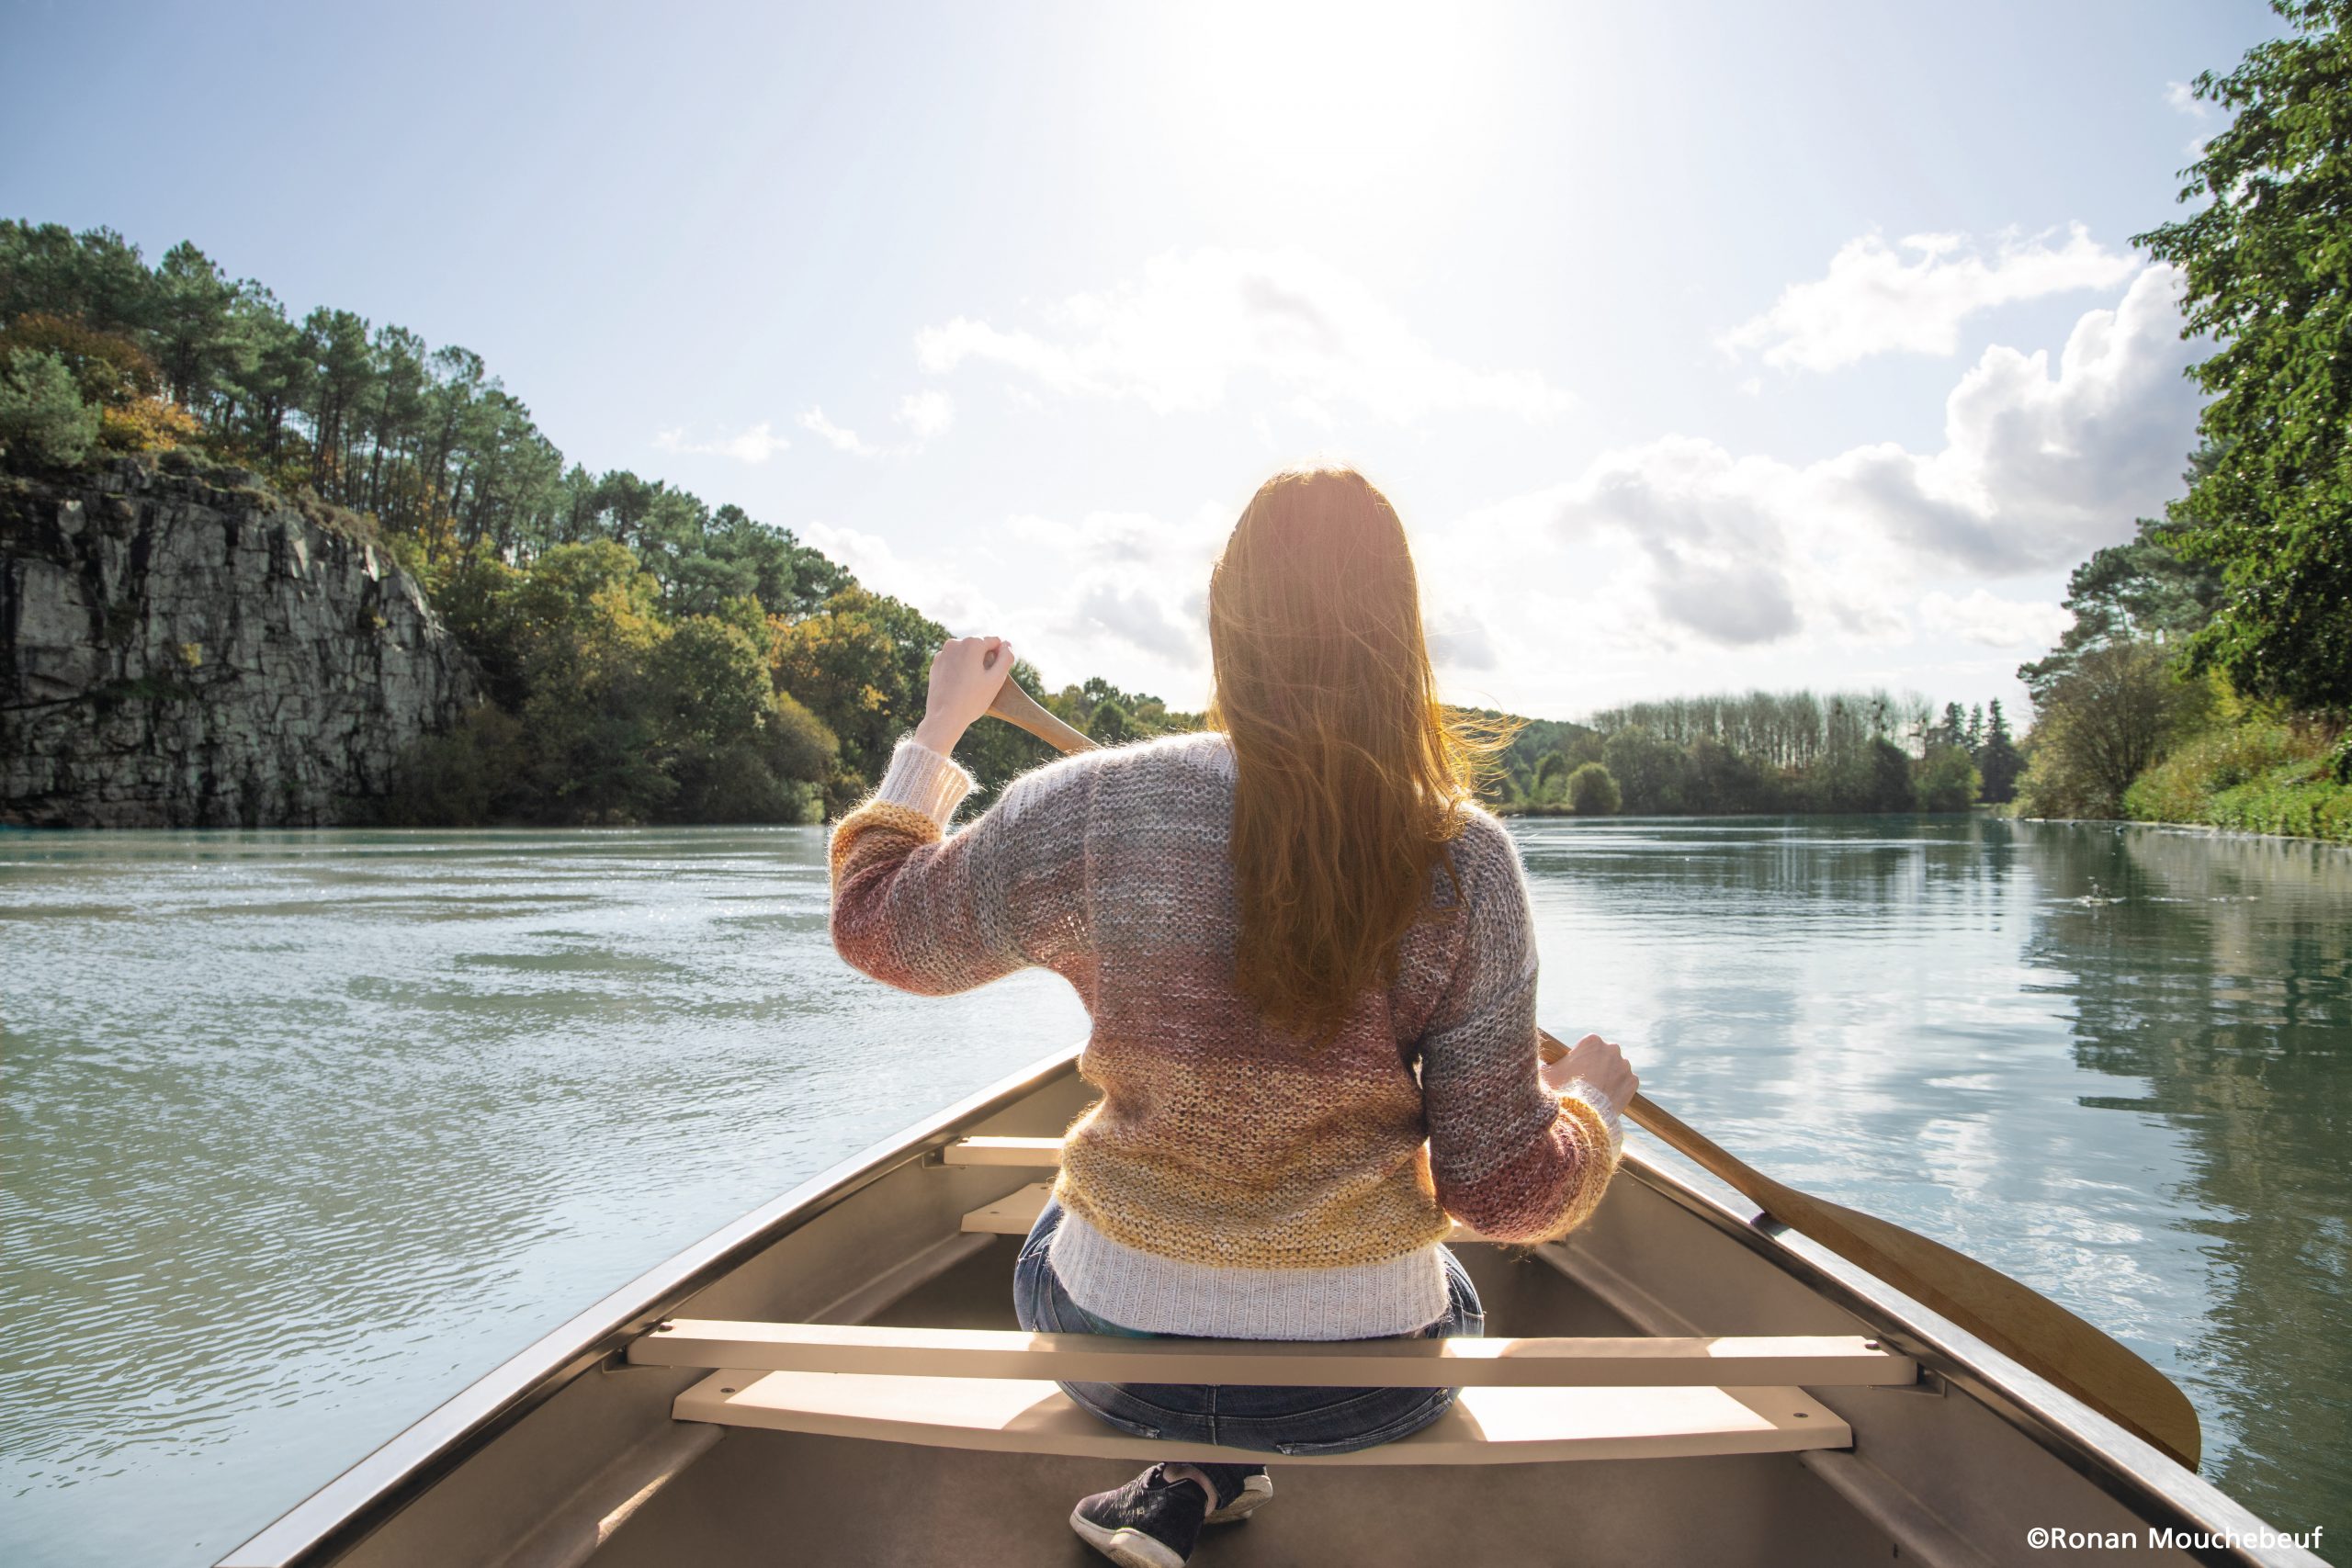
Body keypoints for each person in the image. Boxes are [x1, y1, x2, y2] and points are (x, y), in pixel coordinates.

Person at [829, 466, 1638, 1568]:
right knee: (1450, 1280)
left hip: (1112, 1348)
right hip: (1363, 1390)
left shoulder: (1099, 803)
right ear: (1400, 634)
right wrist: (1591, 1105)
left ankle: (1193, 1470)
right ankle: (1205, 1470)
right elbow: (1498, 1195)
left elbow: (881, 928)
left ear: (1228, 623)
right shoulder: (1466, 859)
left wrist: (938, 729)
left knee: (1059, 1232)